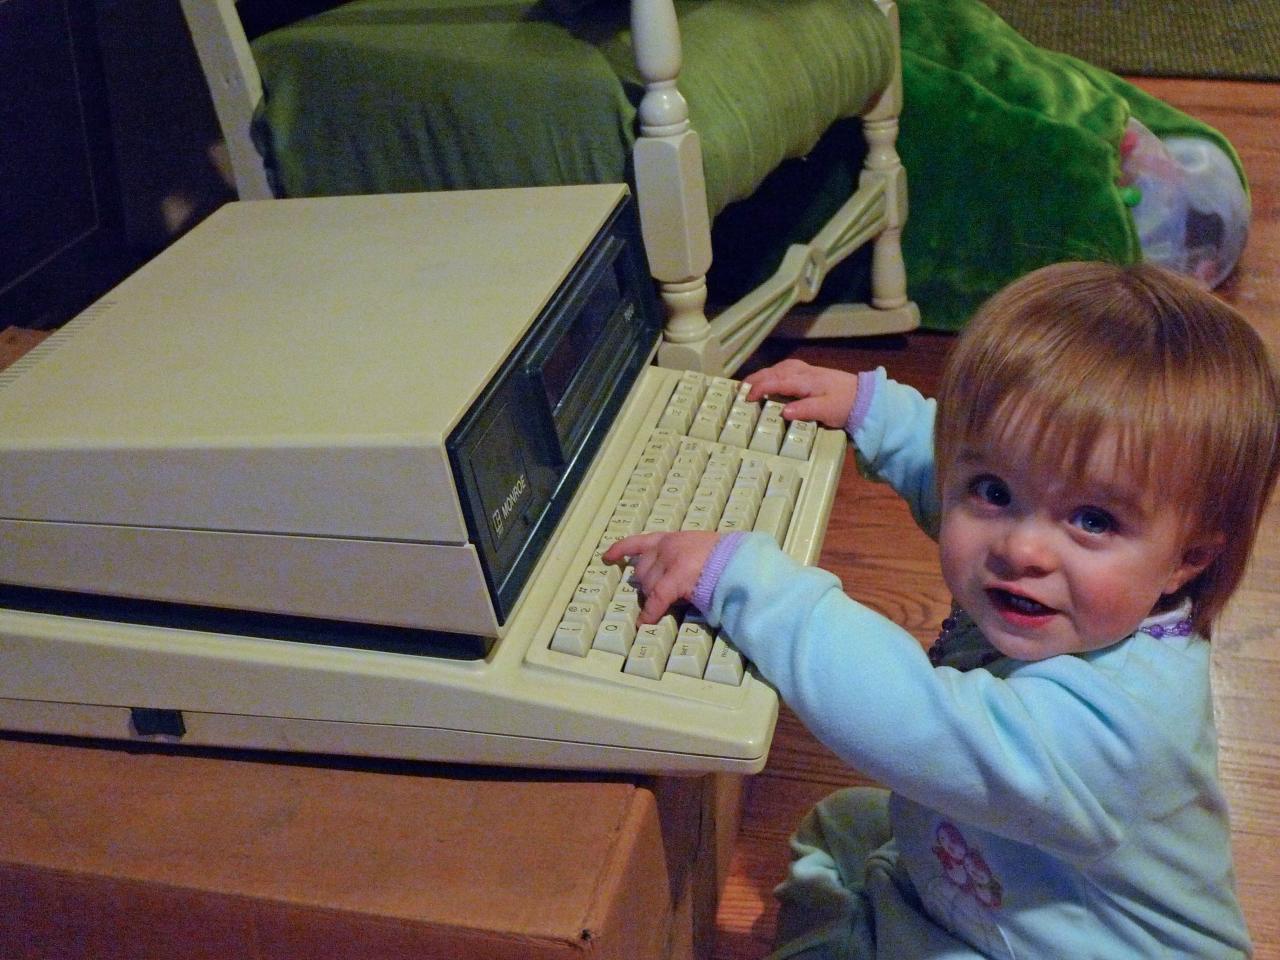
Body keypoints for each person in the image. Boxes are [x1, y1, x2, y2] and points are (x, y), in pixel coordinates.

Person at [603, 261, 1280, 958]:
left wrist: (747, 581)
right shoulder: (1075, 587)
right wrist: (876, 413)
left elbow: (916, 719)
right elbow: (962, 473)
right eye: (995, 490)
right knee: (841, 825)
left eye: (1093, 520)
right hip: (1005, 894)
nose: (1022, 548)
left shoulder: (1117, 729)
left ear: (1188, 560)